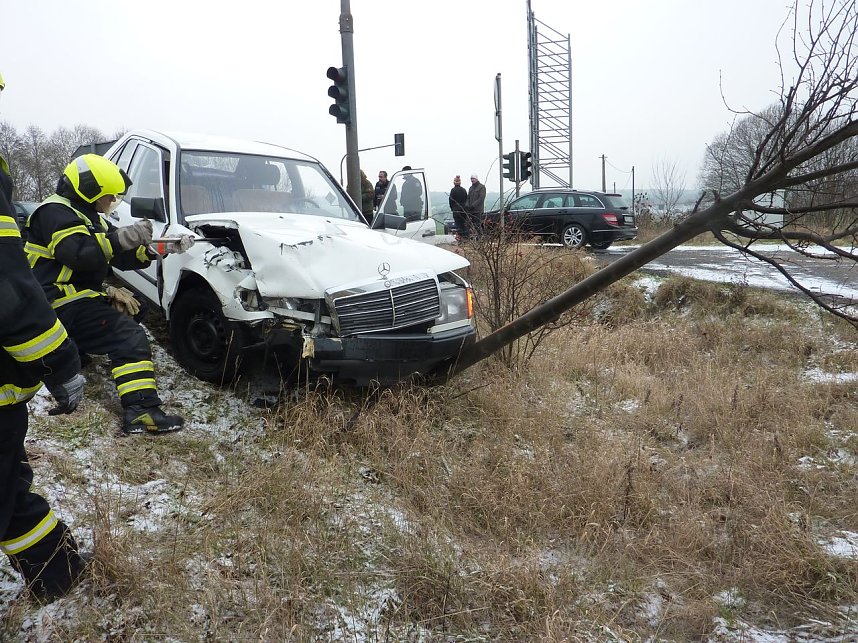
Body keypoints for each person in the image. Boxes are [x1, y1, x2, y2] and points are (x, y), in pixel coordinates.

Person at [0, 71, 90, 602]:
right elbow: (9, 290)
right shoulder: (59, 214)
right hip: (53, 317)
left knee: (9, 485)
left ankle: (62, 575)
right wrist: (61, 361)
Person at [25, 154, 189, 435]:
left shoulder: (88, 217)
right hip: (54, 302)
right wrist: (122, 238)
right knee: (129, 335)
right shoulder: (53, 212)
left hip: (74, 298)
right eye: (108, 196)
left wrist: (157, 249)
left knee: (137, 311)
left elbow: (121, 257)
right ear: (89, 192)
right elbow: (79, 254)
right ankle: (141, 410)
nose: (110, 203)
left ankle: (72, 350)